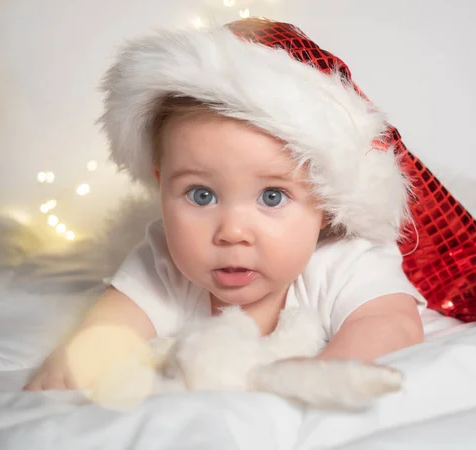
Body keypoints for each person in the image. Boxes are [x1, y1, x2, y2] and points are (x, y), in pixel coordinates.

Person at [24, 17, 430, 392]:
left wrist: (329, 371)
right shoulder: (165, 258)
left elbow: (391, 322)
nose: (232, 231)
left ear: (325, 202)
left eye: (272, 196)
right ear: (161, 185)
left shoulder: (342, 259)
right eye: (202, 195)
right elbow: (118, 318)